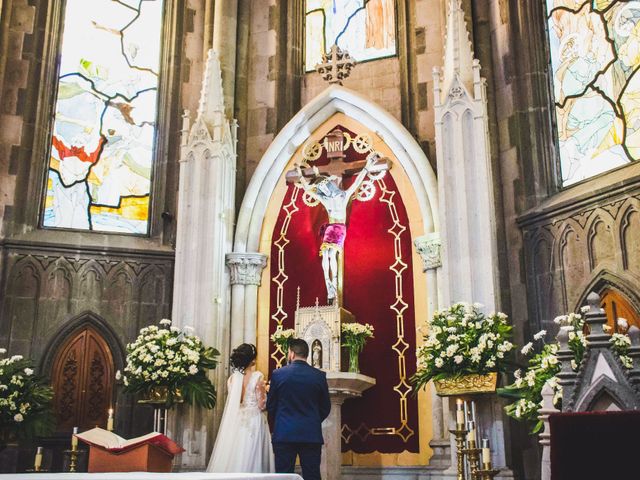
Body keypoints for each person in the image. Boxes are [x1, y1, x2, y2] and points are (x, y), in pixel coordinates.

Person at [266, 338, 331, 480]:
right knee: (312, 475)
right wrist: (312, 419)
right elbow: (326, 406)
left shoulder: (278, 374)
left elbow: (271, 405)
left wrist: (281, 419)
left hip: (284, 432)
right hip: (310, 434)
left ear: (292, 353)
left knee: (283, 475)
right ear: (307, 354)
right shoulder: (319, 376)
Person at [206, 343, 274, 473]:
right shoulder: (257, 376)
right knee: (253, 454)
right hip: (254, 420)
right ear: (252, 359)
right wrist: (267, 391)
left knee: (237, 453)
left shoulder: (231, 379)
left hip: (237, 421)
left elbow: (236, 402)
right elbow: (262, 405)